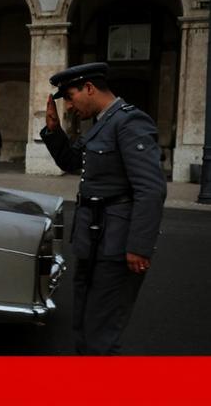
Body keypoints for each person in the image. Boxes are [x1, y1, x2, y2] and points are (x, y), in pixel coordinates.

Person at [41, 62, 166, 355]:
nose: (69, 106)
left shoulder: (130, 122)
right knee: (83, 324)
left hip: (118, 247)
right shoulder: (102, 124)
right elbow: (73, 162)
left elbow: (151, 189)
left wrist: (139, 246)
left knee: (101, 333)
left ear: (89, 88)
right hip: (93, 241)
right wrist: (53, 130)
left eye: (70, 97)